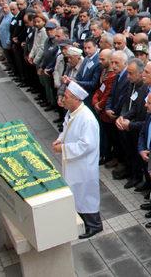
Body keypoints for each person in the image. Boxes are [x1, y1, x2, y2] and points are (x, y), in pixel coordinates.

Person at [52, 82, 102, 239]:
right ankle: (83, 221)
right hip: (75, 162)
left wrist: (64, 148)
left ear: (75, 99)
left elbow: (86, 145)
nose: (62, 100)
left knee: (86, 194)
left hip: (84, 164)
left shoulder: (86, 118)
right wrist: (60, 140)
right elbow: (66, 129)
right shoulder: (72, 113)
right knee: (77, 192)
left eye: (65, 97)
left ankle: (94, 225)